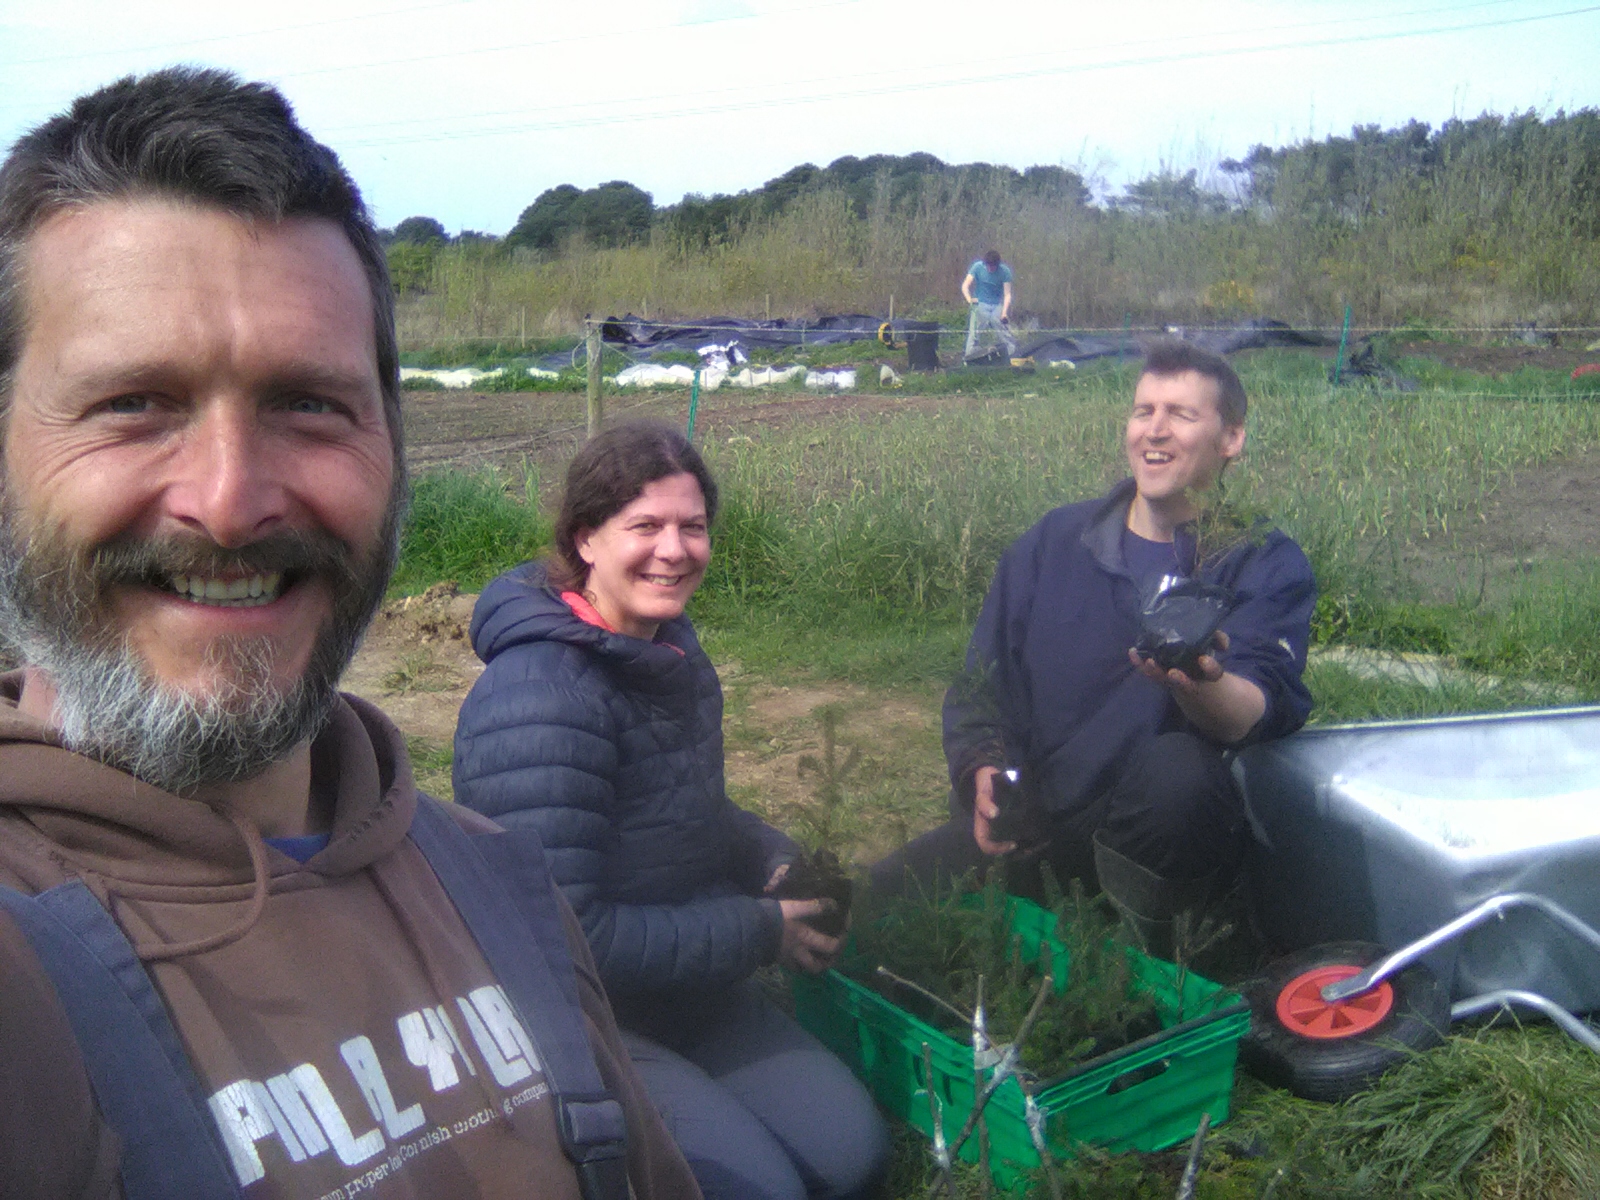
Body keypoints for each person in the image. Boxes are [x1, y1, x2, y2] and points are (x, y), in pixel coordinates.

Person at [0, 68, 699, 1200]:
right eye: (132, 402)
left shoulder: (498, 885)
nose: (229, 503)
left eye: (308, 404)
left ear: (392, 453)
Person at [452, 421, 891, 1200]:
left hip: (689, 987)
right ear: (586, 539)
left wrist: (770, 860)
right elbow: (565, 936)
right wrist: (762, 930)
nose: (675, 549)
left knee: (850, 1153)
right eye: (645, 526)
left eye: (692, 527)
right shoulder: (541, 699)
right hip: (589, 1020)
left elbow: (691, 809)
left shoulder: (668, 650)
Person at [872, 341, 1316, 947]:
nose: (1154, 431)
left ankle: (1155, 947)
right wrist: (982, 774)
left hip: (1145, 836)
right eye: (1143, 411)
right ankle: (1017, 900)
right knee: (867, 912)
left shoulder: (1259, 559)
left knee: (1181, 775)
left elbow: (1258, 708)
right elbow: (982, 684)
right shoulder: (1055, 541)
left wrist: (1201, 680)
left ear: (1231, 438)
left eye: (1181, 415)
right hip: (1031, 823)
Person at [961, 248, 1018, 361]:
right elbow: (965, 286)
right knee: (975, 332)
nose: (990, 268)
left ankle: (1013, 355)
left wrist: (1004, 313)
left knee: (1003, 330)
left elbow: (1007, 294)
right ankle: (970, 357)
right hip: (980, 304)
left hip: (997, 305)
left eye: (993, 266)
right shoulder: (977, 267)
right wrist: (969, 300)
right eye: (988, 266)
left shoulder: (1004, 271)